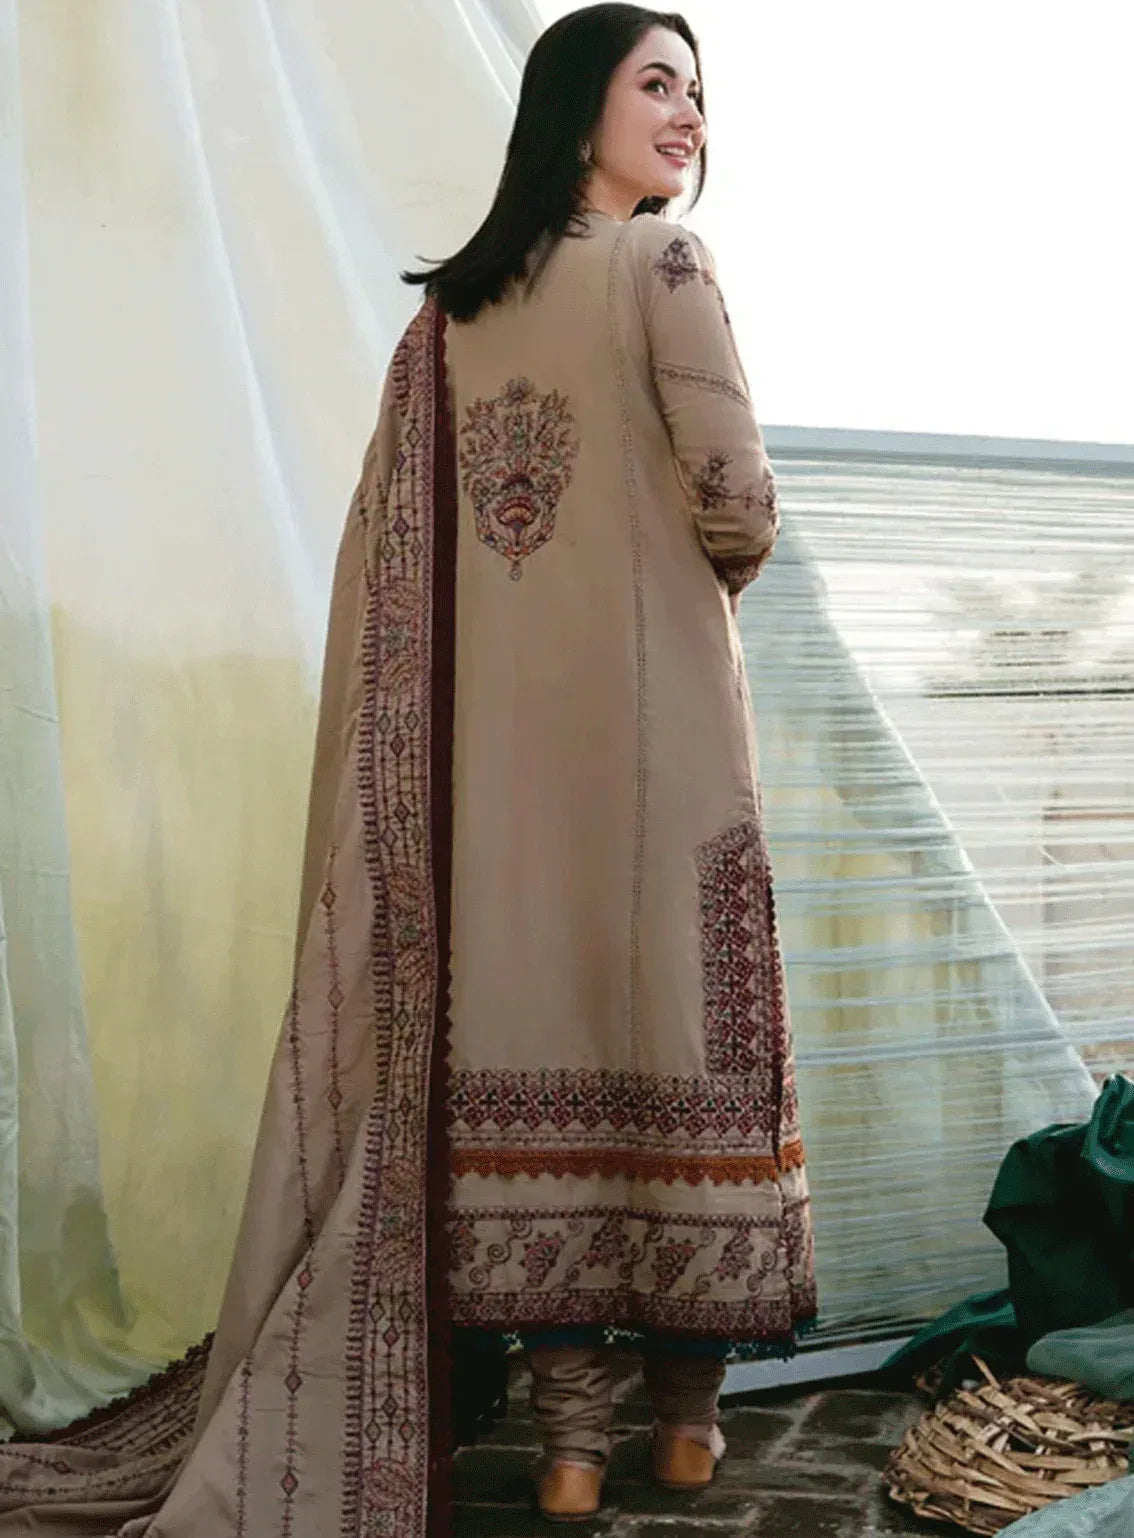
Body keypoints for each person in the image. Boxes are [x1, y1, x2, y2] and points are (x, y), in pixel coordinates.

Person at [0, 5, 815, 1535]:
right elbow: (737, 507)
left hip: (492, 805)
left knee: (540, 1054)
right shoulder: (671, 269)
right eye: (659, 85)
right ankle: (683, 1424)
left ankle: (567, 1443)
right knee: (681, 1052)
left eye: (699, 94)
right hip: (670, 770)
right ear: (579, 108)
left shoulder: (443, 319)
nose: (689, 115)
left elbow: (385, 566)